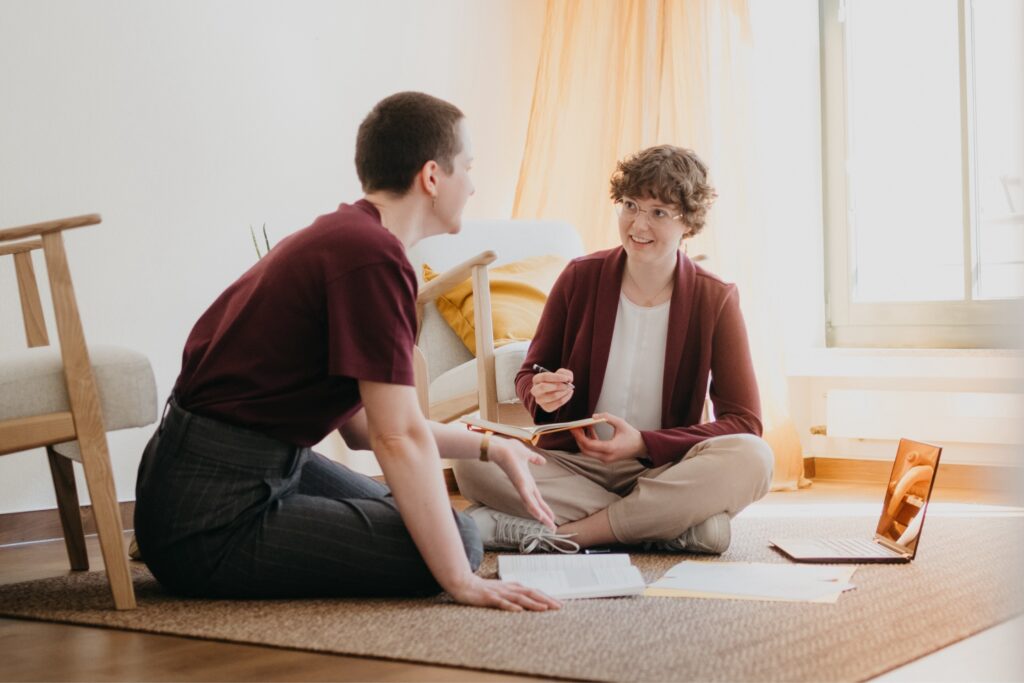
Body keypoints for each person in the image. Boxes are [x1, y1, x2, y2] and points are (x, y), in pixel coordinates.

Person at [134, 92, 561, 612]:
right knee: (459, 544)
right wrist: (461, 583)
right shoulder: (372, 258)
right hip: (212, 517)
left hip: (225, 473)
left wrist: (494, 445)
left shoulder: (352, 235)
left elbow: (363, 430)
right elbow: (394, 435)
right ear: (432, 177)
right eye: (467, 168)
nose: (472, 185)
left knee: (427, 518)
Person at [453, 145, 774, 555]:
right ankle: (674, 528)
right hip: (574, 466)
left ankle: (573, 535)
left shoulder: (716, 298)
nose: (638, 224)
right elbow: (531, 370)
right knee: (471, 460)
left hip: (664, 470)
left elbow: (744, 421)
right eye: (630, 205)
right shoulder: (579, 277)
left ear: (689, 224)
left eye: (659, 212)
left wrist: (643, 444)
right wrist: (541, 391)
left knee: (755, 457)